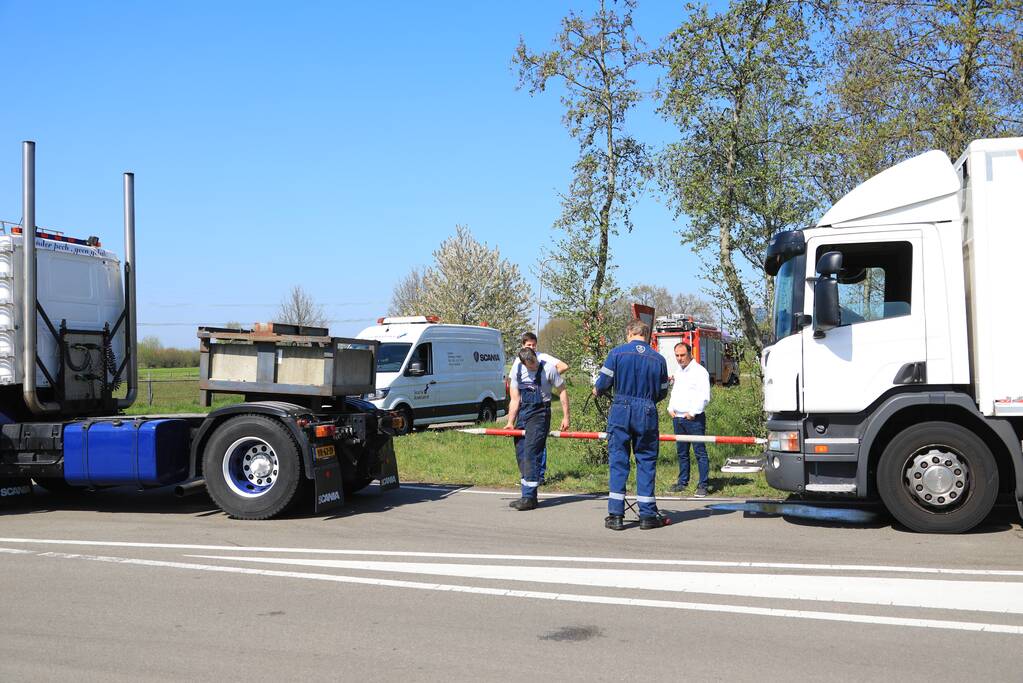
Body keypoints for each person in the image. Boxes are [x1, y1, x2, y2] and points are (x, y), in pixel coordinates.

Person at [593, 319, 670, 530]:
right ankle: (646, 515)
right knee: (646, 461)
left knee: (618, 461)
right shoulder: (659, 359)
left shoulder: (617, 353)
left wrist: (598, 390)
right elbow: (662, 392)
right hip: (646, 411)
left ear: (629, 333)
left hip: (621, 409)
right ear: (647, 335)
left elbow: (602, 384)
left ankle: (616, 516)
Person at [503, 347, 570, 510]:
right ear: (523, 363)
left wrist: (566, 416)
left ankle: (528, 497)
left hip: (540, 413)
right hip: (523, 412)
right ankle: (529, 495)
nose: (533, 367)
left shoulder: (549, 368)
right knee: (521, 453)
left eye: (534, 363)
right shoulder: (517, 369)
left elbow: (562, 391)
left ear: (535, 357)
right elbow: (515, 399)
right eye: (529, 365)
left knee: (532, 452)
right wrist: (511, 422)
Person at [520, 332, 569, 484]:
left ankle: (539, 476)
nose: (532, 348)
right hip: (525, 406)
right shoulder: (519, 361)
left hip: (540, 406)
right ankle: (527, 476)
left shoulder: (543, 357)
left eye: (534, 345)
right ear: (523, 346)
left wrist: (546, 379)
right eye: (529, 345)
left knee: (539, 442)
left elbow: (563, 366)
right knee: (523, 442)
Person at [667, 342, 711, 497]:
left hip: (693, 419)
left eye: (682, 355)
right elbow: (675, 392)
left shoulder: (700, 372)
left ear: (690, 353)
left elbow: (704, 396)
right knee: (682, 452)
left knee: (700, 452)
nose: (679, 359)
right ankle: (682, 482)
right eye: (677, 356)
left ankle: (703, 484)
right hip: (677, 418)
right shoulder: (678, 371)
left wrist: (692, 413)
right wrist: (670, 408)